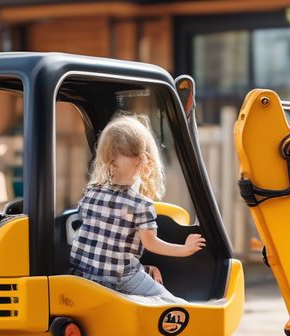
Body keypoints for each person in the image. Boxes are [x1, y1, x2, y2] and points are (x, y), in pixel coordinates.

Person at [69, 115, 205, 303]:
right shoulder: (141, 205)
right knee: (176, 306)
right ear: (143, 160)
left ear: (108, 159)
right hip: (121, 279)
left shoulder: (91, 192)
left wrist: (144, 268)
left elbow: (107, 242)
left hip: (85, 276)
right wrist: (185, 249)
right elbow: (152, 244)